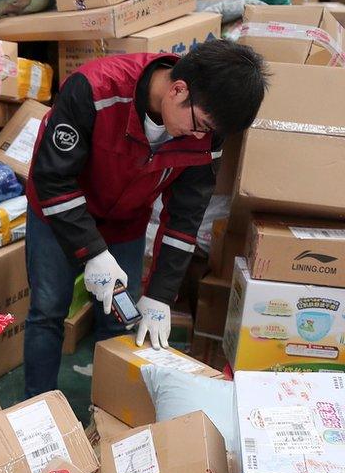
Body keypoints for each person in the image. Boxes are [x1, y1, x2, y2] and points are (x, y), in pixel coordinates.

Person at [23, 40, 269, 399]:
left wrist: (161, 296)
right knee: (47, 310)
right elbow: (51, 178)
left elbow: (185, 218)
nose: (200, 137)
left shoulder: (207, 131)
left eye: (210, 133)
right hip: (58, 213)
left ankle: (106, 418)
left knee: (121, 321)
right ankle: (34, 410)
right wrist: (92, 251)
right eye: (199, 125)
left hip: (125, 221)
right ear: (177, 89)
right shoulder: (95, 90)